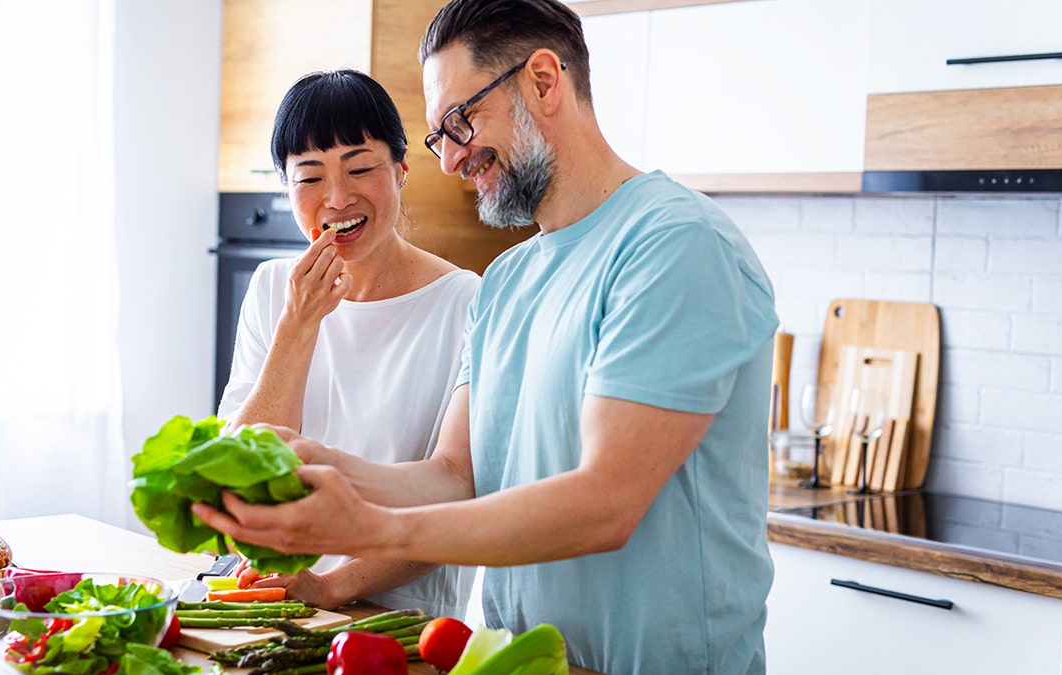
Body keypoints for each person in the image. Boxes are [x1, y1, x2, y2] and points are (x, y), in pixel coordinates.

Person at [196, 1, 778, 672]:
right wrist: (315, 462)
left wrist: (367, 526)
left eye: (460, 122)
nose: (450, 160)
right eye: (440, 135)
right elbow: (455, 476)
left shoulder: (674, 245)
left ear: (542, 81)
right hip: (518, 661)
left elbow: (604, 503)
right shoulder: (506, 282)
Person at [216, 69, 479, 621]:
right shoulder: (271, 290)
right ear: (285, 188)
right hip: (274, 609)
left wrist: (331, 586)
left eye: (360, 168)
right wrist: (298, 326)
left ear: (403, 169)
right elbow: (237, 477)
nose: (337, 198)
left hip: (401, 625)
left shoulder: (467, 302)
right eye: (309, 178)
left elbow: (458, 490)